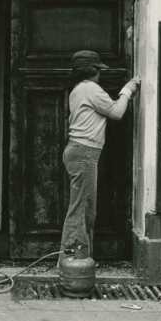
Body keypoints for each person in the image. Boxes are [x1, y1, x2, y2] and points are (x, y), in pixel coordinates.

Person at [61, 50, 140, 262]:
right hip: (85, 153)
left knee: (83, 209)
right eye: (98, 70)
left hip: (79, 152)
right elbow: (116, 112)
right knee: (82, 211)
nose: (100, 75)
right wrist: (127, 90)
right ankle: (73, 263)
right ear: (92, 71)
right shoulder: (91, 88)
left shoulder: (77, 89)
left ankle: (79, 260)